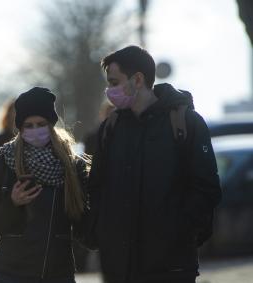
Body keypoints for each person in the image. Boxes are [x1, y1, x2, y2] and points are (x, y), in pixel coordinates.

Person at [87, 46, 222, 283]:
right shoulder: (111, 128)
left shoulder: (186, 123)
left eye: (115, 82)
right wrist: (101, 236)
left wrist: (180, 233)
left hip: (171, 268)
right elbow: (96, 188)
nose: (109, 91)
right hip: (120, 269)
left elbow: (206, 187)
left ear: (137, 79)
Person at [0, 87, 90, 283]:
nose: (35, 130)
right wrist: (12, 203)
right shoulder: (1, 166)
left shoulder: (72, 167)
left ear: (51, 124)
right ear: (19, 128)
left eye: (41, 124)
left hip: (57, 275)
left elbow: (86, 233)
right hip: (10, 275)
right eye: (28, 125)